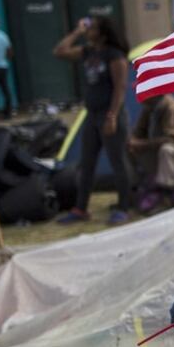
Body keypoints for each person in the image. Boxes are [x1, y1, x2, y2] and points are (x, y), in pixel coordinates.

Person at [54, 16, 132, 225]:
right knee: (87, 163)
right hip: (91, 116)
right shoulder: (88, 52)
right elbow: (59, 51)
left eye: (92, 28)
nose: (88, 31)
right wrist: (77, 31)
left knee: (118, 163)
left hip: (110, 115)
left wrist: (112, 116)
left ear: (103, 32)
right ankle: (80, 209)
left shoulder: (114, 55)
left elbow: (120, 88)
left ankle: (124, 207)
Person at [129, 94, 174, 212]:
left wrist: (143, 144)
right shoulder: (149, 108)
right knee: (131, 149)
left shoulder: (172, 108)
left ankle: (165, 195)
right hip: (157, 151)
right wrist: (133, 141)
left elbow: (173, 140)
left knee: (167, 150)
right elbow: (138, 131)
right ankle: (136, 189)